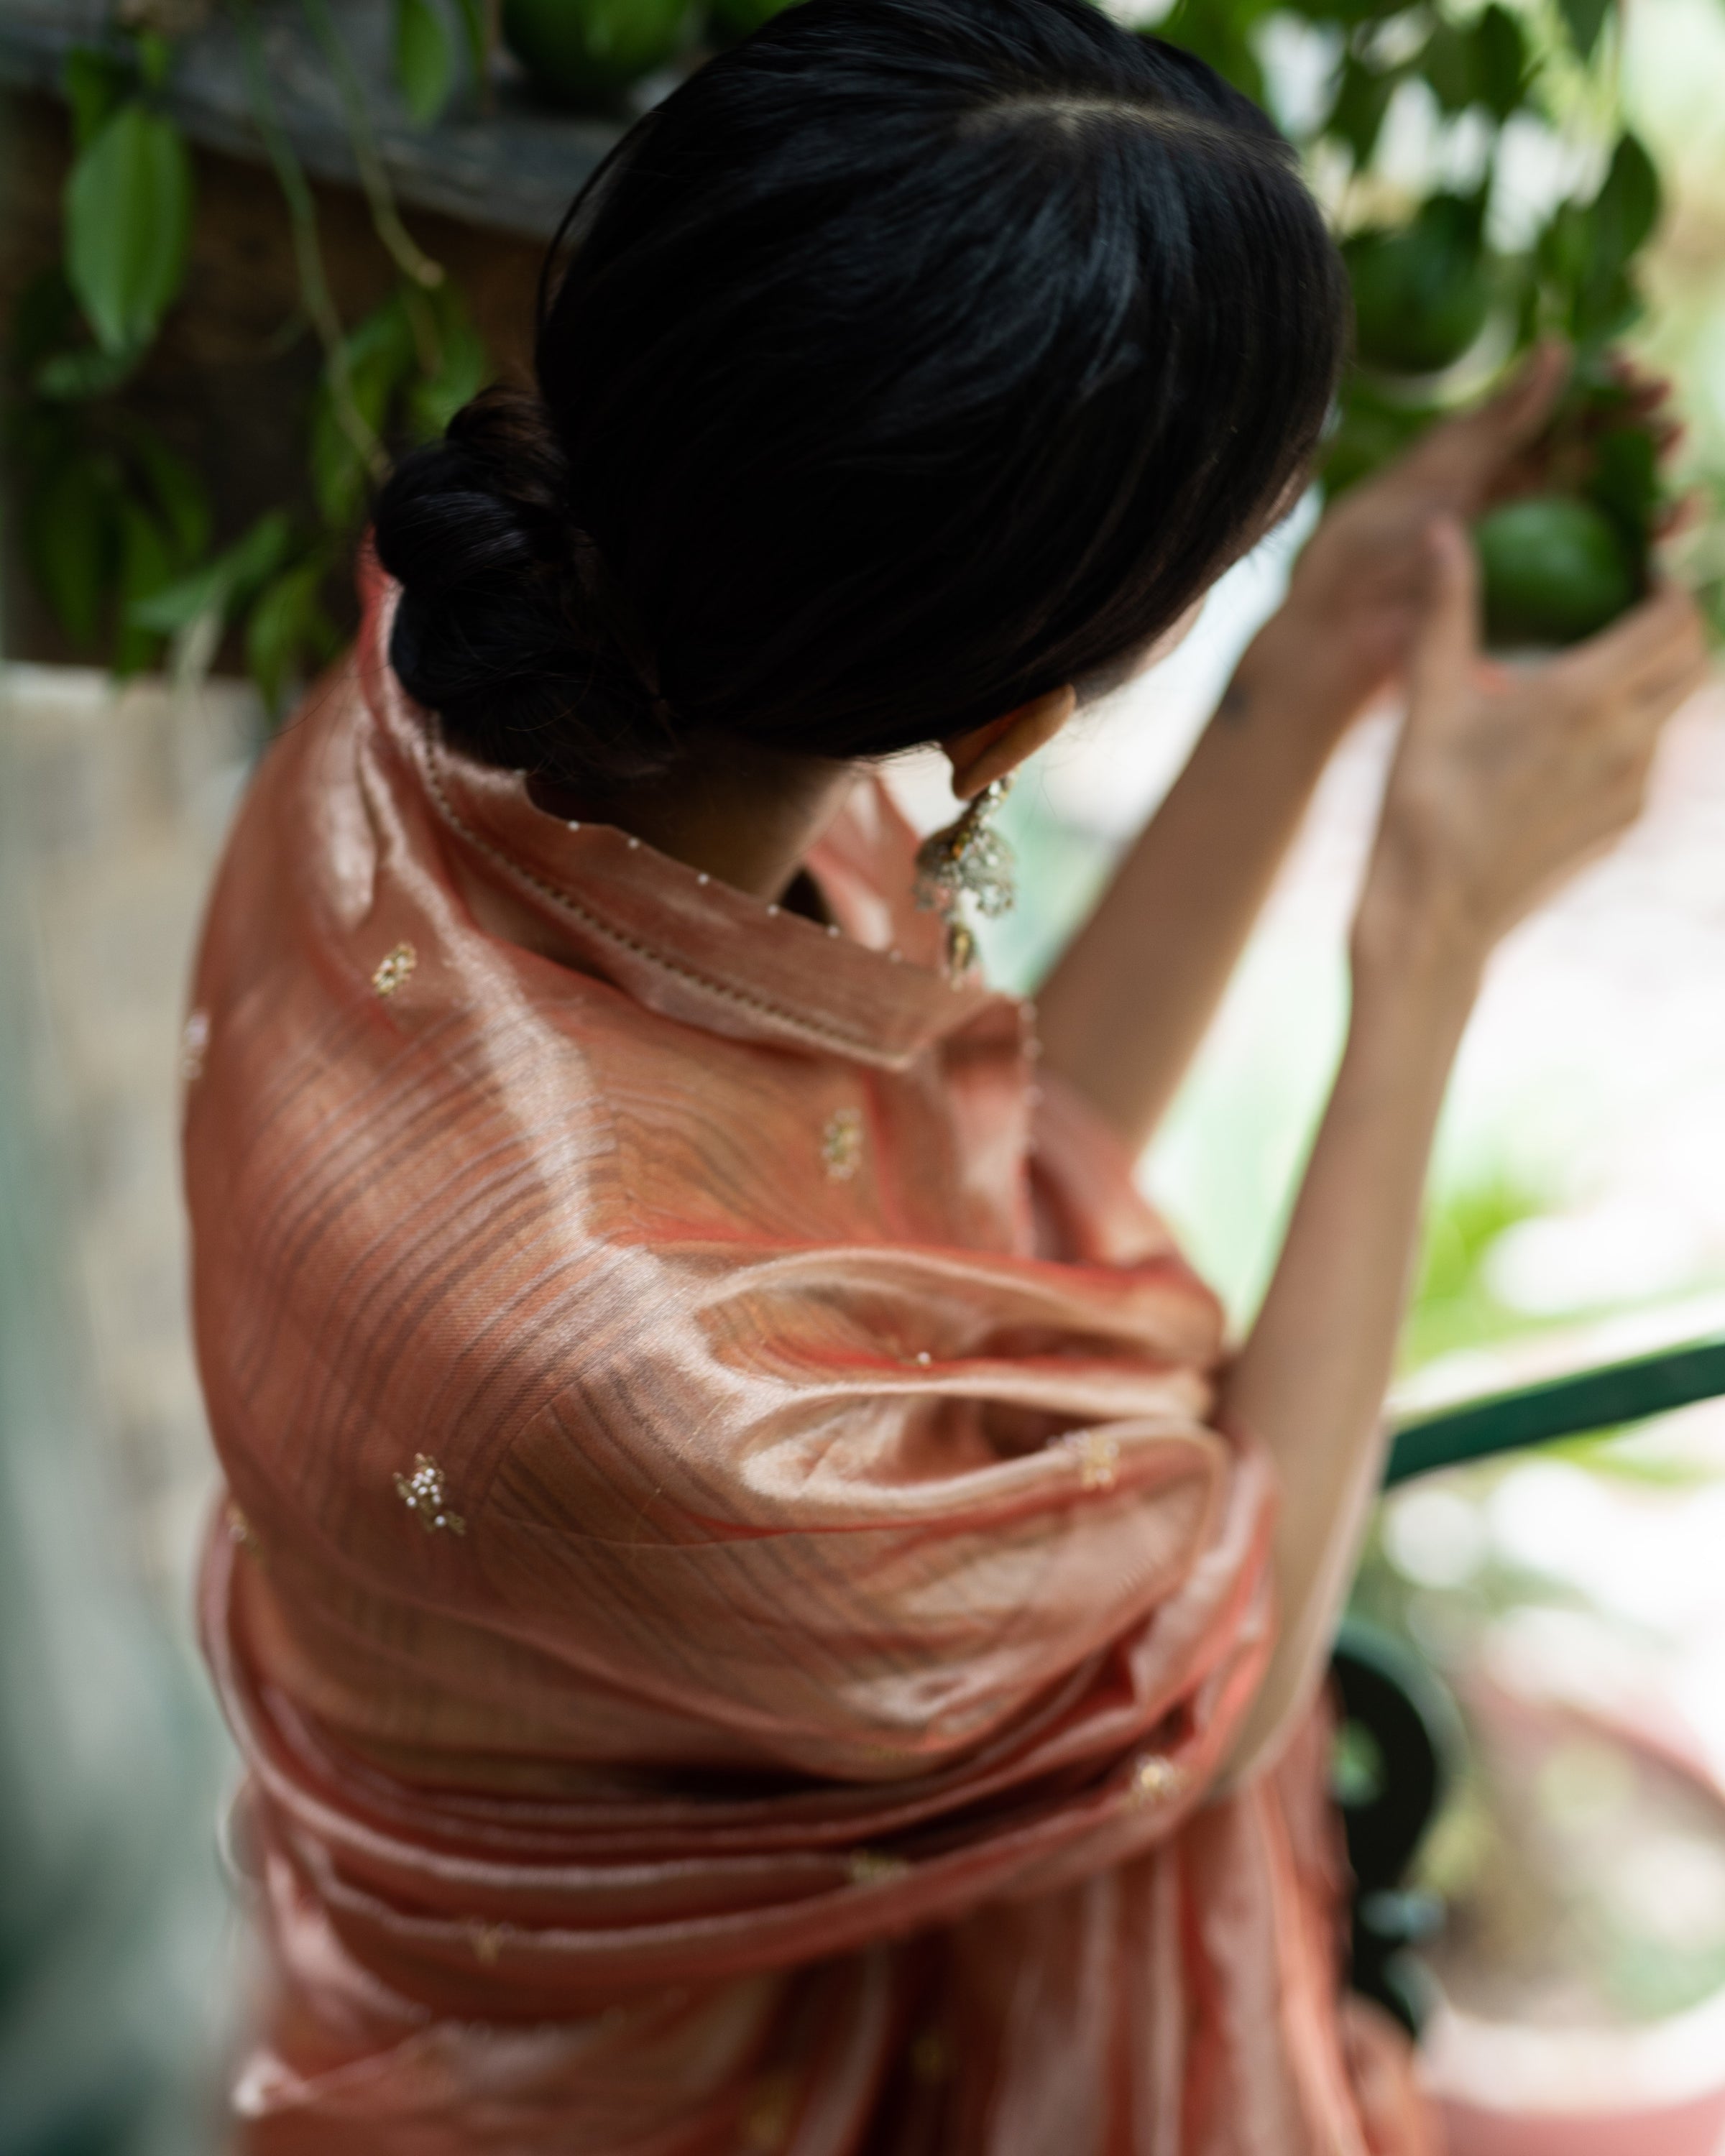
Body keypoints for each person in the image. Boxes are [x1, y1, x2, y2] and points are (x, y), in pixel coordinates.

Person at [183, 1, 1708, 2148]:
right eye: (1226, 568)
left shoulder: (467, 694)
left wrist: (1308, 675)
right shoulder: (646, 1363)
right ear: (998, 733)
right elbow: (1218, 1653)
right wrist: (1430, 940)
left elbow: (954, 1191)